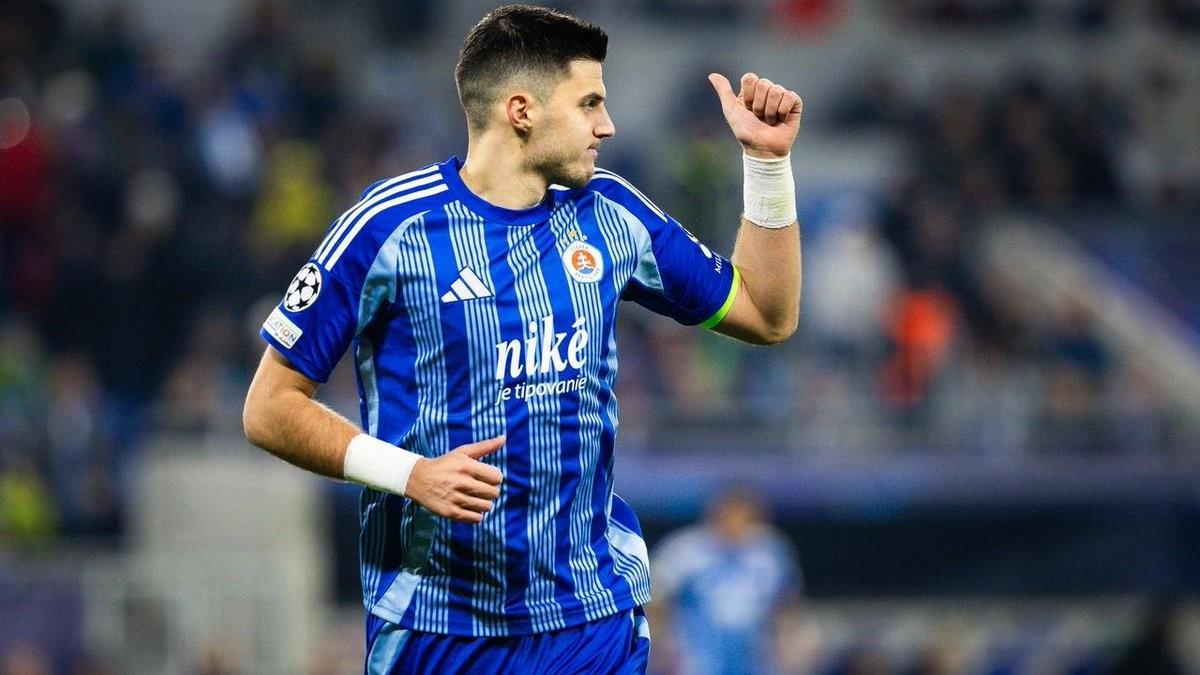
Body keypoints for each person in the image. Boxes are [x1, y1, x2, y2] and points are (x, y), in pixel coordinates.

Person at [242, 4, 803, 673]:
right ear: (521, 110)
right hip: (436, 626)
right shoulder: (388, 228)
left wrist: (767, 165)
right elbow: (269, 407)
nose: (607, 124)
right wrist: (410, 474)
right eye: (589, 103)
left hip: (591, 622)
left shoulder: (611, 212)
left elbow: (767, 315)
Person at [649, 487, 802, 675]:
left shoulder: (770, 552)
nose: (734, 525)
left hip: (752, 658)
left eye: (743, 519)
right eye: (729, 517)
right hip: (696, 659)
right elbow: (653, 597)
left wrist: (787, 641)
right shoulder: (686, 550)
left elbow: (787, 603)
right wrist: (661, 641)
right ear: (715, 516)